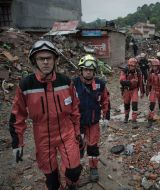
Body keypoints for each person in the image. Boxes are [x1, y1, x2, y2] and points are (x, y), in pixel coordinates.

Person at [9, 40, 82, 190]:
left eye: (49, 58)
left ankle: (69, 183)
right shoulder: (26, 85)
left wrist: (77, 132)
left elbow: (75, 109)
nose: (46, 62)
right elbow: (18, 115)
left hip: (66, 131)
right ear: (34, 61)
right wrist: (17, 143)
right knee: (51, 179)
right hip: (42, 135)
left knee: (74, 170)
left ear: (55, 60)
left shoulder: (66, 82)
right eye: (41, 58)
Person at [73, 54, 110, 182]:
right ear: (81, 70)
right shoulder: (73, 84)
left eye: (90, 70)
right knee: (78, 146)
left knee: (93, 146)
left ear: (94, 71)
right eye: (85, 70)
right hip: (78, 123)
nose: (88, 72)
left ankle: (93, 168)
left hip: (93, 121)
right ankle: (75, 168)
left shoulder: (100, 84)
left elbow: (106, 100)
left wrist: (106, 117)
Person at [120, 58, 144, 125]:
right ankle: (126, 116)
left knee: (134, 104)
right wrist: (130, 82)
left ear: (136, 66)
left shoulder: (138, 72)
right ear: (129, 65)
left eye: (133, 66)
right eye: (131, 66)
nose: (132, 67)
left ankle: (134, 119)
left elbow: (140, 82)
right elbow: (122, 81)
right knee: (126, 104)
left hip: (134, 89)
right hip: (126, 89)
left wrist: (142, 91)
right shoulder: (124, 70)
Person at [146, 59, 160, 127]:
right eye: (153, 66)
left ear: (158, 66)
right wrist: (148, 91)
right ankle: (150, 119)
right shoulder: (150, 72)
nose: (154, 67)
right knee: (152, 104)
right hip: (154, 90)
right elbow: (148, 82)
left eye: (156, 66)